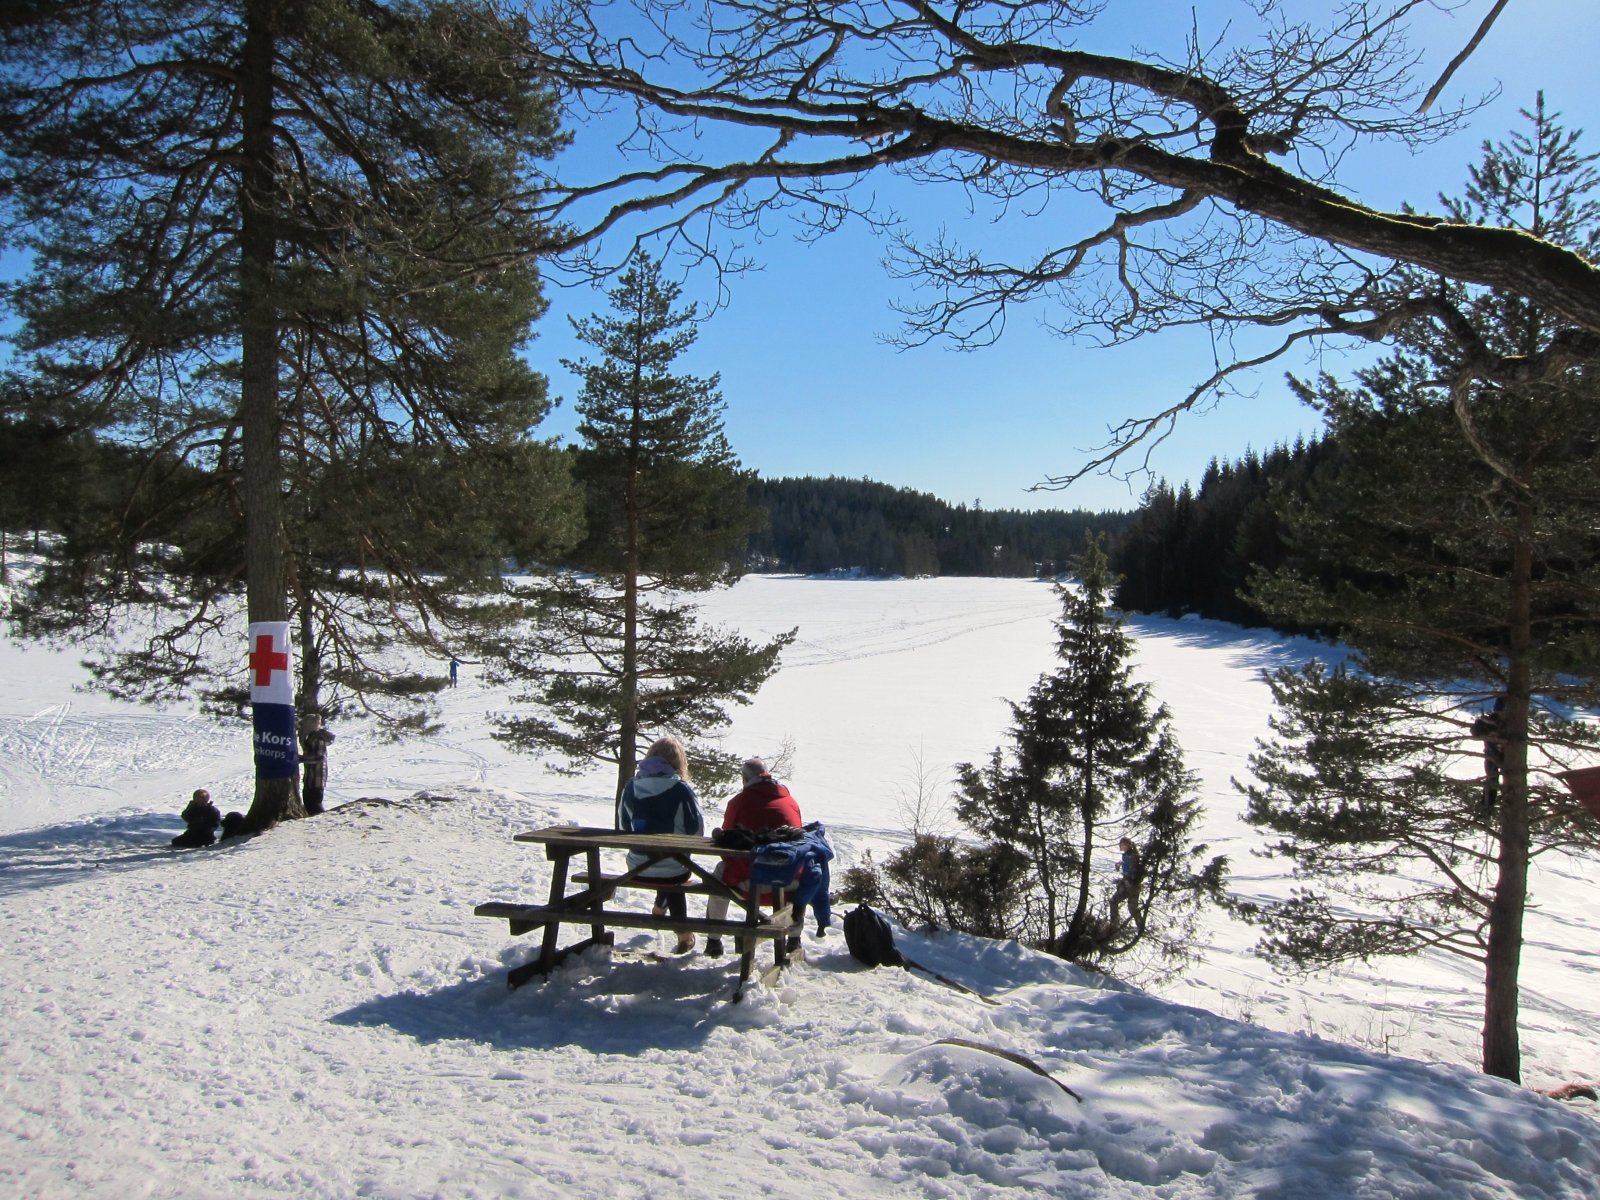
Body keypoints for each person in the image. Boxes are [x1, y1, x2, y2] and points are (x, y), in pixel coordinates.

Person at [703, 757, 803, 957]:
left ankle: (714, 940)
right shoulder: (790, 802)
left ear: (745, 779)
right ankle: (794, 938)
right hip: (790, 880)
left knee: (717, 879)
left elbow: (728, 837)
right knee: (805, 873)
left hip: (751, 879)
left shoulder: (739, 802)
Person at [615, 736, 704, 953]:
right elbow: (696, 832)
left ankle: (660, 907)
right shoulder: (681, 789)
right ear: (678, 762)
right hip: (674, 867)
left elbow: (622, 827)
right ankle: (684, 936)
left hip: (637, 867)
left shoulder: (631, 787)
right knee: (674, 872)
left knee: (666, 867)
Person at [1472, 696, 1507, 820]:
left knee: (1511, 782)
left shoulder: (1513, 723)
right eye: (1500, 711)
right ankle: (1486, 810)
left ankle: (1506, 808)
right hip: (1491, 756)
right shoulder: (1488, 721)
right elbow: (1475, 732)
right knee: (1492, 780)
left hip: (1507, 757)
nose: (1501, 714)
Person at [300, 713, 335, 816]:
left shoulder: (318, 739)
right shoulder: (310, 738)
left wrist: (301, 758)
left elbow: (319, 758)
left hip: (316, 779)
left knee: (314, 806)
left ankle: (322, 822)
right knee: (309, 803)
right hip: (311, 778)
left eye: (304, 726)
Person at [1108, 837, 1142, 928]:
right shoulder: (1126, 855)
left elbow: (1132, 868)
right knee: (1115, 902)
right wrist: (1120, 864)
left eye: (1122, 844)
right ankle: (1115, 924)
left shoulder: (1133, 855)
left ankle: (1139, 926)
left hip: (1132, 884)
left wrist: (1127, 873)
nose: (1120, 846)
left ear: (1127, 845)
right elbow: (1126, 864)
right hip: (1128, 883)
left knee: (1131, 907)